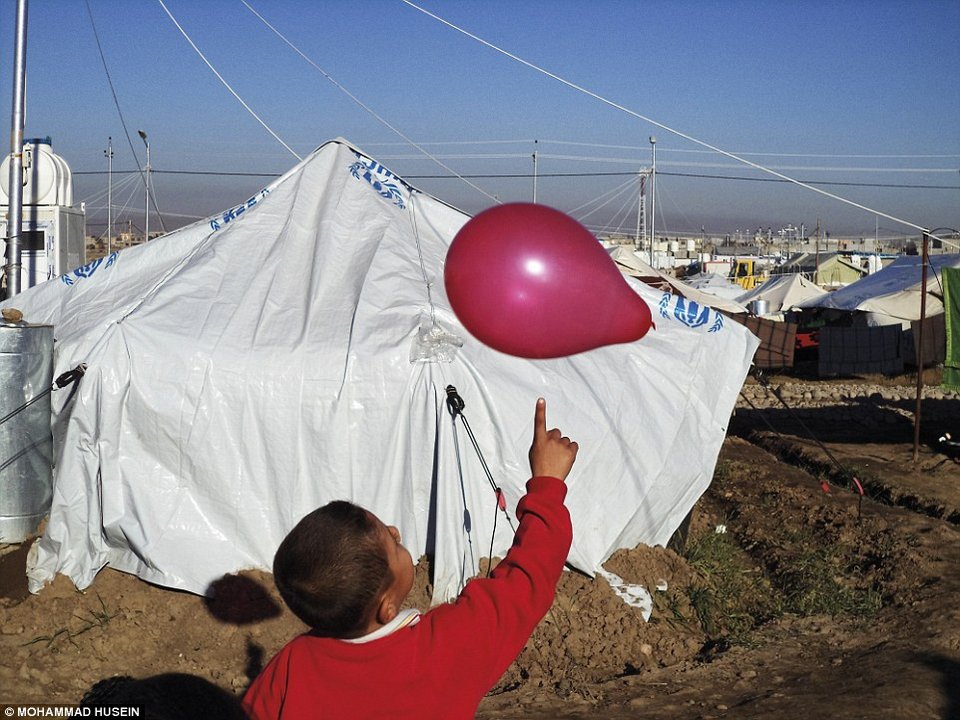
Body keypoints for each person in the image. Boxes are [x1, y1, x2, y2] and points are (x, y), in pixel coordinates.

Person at [243, 397, 577, 719]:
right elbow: (526, 579)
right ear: (386, 608)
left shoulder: (294, 665)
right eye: (392, 543)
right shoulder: (446, 648)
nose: (395, 530)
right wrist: (547, 485)